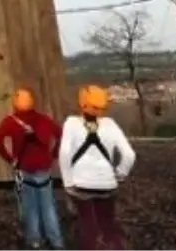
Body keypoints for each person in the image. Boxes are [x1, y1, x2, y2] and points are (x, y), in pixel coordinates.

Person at [58, 85, 135, 251]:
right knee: (109, 226)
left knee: (88, 228)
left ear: (82, 102)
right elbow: (129, 155)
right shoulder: (110, 124)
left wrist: (68, 181)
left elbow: (64, 153)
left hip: (81, 184)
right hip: (108, 183)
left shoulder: (71, 123)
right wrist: (120, 174)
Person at [0, 88, 65, 250]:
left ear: (15, 103)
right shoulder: (43, 119)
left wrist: (10, 158)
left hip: (24, 168)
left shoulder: (11, 121)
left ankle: (35, 241)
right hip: (43, 169)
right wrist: (54, 154)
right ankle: (56, 242)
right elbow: (61, 134)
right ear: (32, 102)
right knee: (48, 206)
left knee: (29, 207)